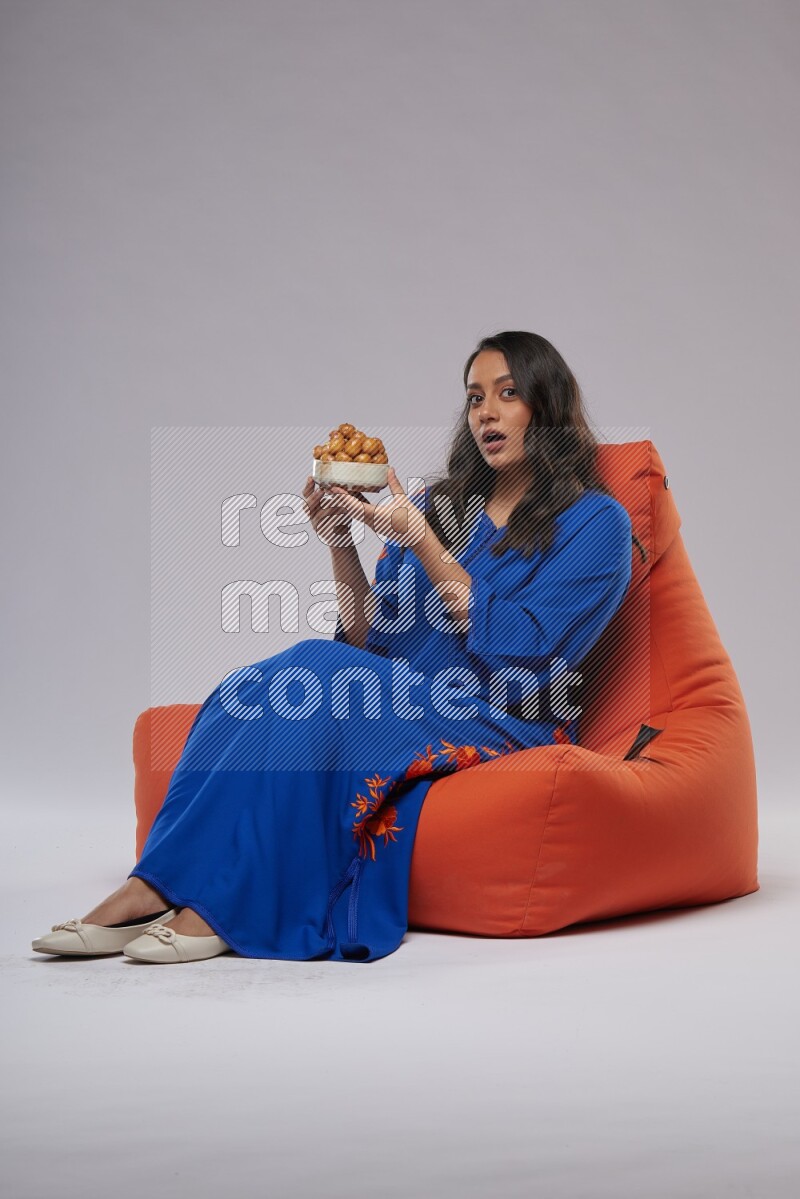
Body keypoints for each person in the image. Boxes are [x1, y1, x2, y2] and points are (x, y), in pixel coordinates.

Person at [32, 331, 635, 965]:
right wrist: (340, 543)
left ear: (548, 404)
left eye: (508, 395)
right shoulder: (442, 504)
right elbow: (368, 638)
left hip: (499, 713)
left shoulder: (597, 522)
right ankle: (149, 885)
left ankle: (224, 909)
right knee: (250, 686)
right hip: (403, 692)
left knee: (318, 670)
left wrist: (426, 544)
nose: (485, 412)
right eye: (474, 397)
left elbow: (535, 647)